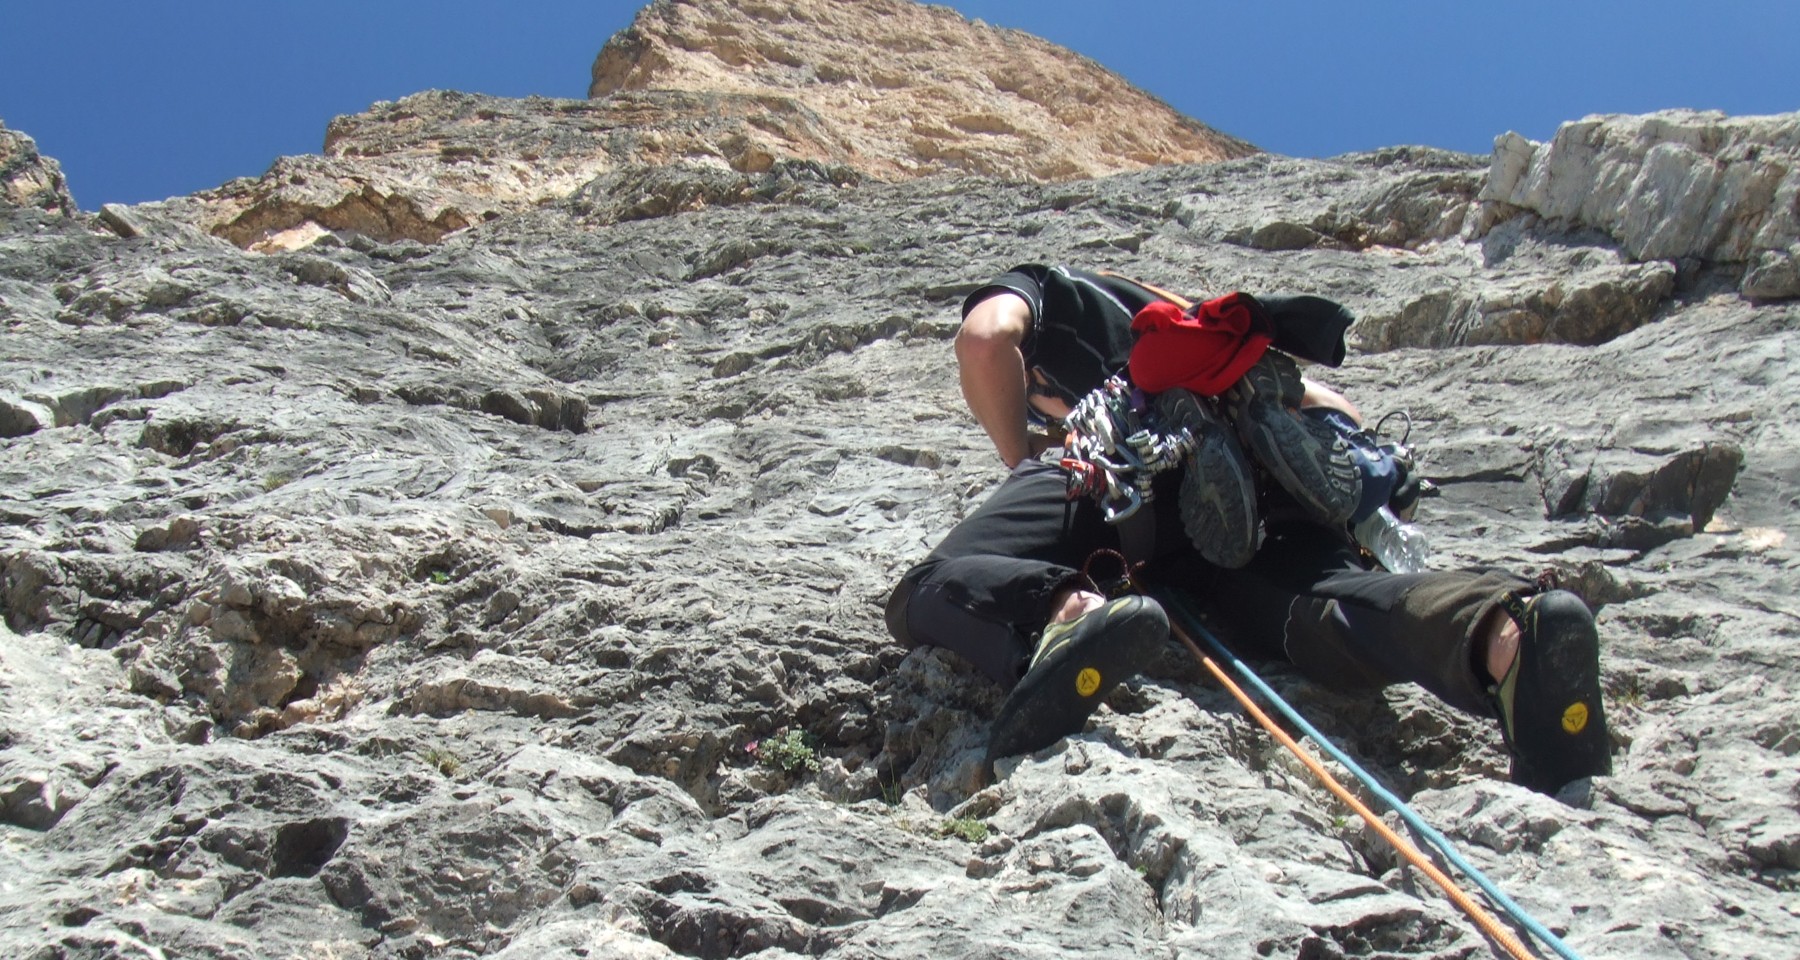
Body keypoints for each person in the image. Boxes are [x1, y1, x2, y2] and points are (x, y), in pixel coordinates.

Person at [885, 264, 1611, 797]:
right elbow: (1331, 408)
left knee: (922, 592)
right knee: (1327, 611)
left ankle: (1065, 616)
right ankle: (1505, 636)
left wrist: (1026, 457)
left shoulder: (1051, 289)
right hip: (1262, 493)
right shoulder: (1202, 331)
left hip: (1120, 467)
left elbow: (985, 341)